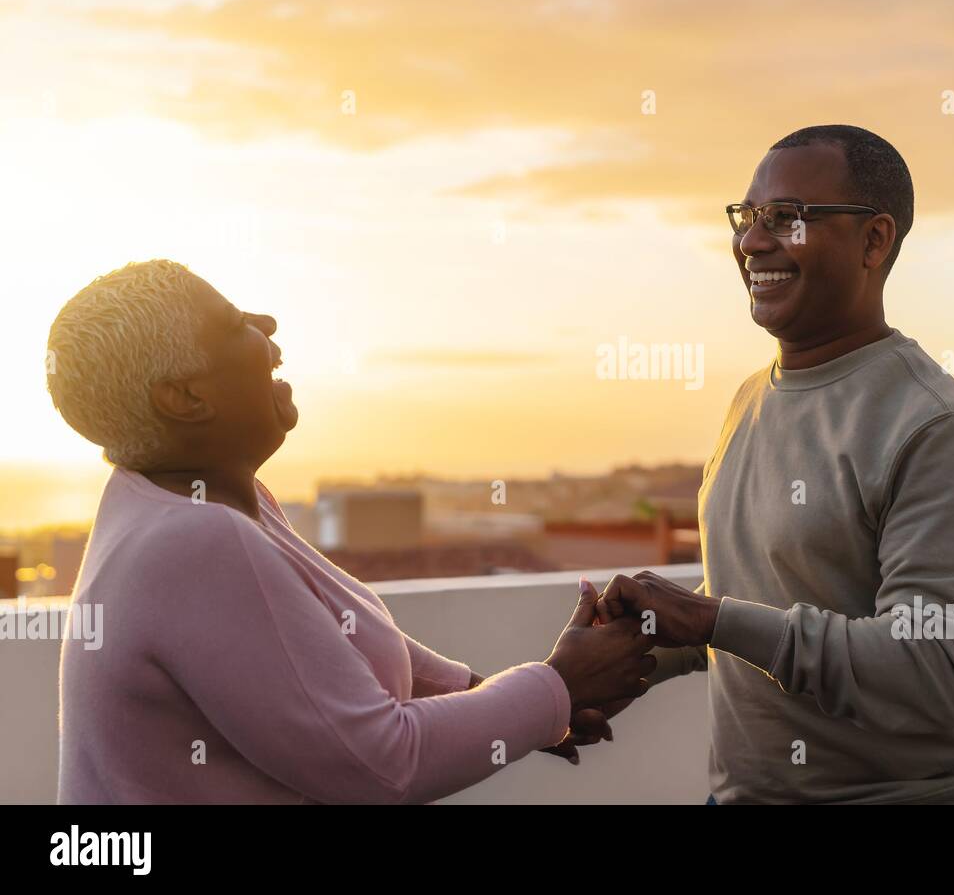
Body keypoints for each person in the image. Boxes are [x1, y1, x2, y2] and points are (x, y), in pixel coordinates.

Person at [48, 259, 653, 803]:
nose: (268, 325)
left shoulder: (193, 504)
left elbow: (323, 643)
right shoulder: (193, 540)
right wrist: (558, 685)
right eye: (235, 324)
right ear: (184, 397)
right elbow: (382, 767)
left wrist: (489, 694)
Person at [597, 125, 954, 804]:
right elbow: (765, 599)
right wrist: (621, 652)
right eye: (747, 217)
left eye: (787, 218)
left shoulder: (937, 428)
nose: (753, 242)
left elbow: (934, 672)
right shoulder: (748, 400)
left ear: (874, 241)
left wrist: (706, 619)